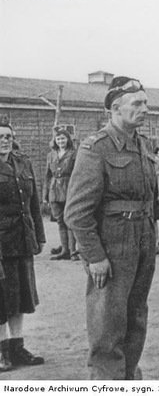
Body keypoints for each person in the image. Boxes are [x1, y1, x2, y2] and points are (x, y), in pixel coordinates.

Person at [65, 76, 157, 379]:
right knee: (108, 325)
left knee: (136, 319)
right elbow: (77, 213)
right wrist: (95, 257)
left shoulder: (141, 145)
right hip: (112, 247)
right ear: (115, 108)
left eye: (145, 102)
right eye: (137, 104)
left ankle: (129, 378)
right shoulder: (96, 148)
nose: (145, 108)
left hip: (142, 241)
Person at [0, 115, 45, 372]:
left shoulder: (23, 164)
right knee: (1, 299)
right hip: (1, 243)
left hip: (22, 240)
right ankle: (2, 350)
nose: (5, 141)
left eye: (8, 136)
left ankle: (17, 348)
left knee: (20, 297)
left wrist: (38, 236)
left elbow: (34, 205)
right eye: (0, 137)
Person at [43, 127, 78, 260]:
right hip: (54, 191)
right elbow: (47, 176)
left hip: (69, 189)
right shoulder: (51, 155)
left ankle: (73, 251)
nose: (60, 141)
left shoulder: (74, 154)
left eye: (63, 138)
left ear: (68, 140)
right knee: (60, 221)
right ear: (55, 140)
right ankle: (65, 251)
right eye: (58, 139)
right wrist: (45, 196)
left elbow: (77, 174)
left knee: (70, 220)